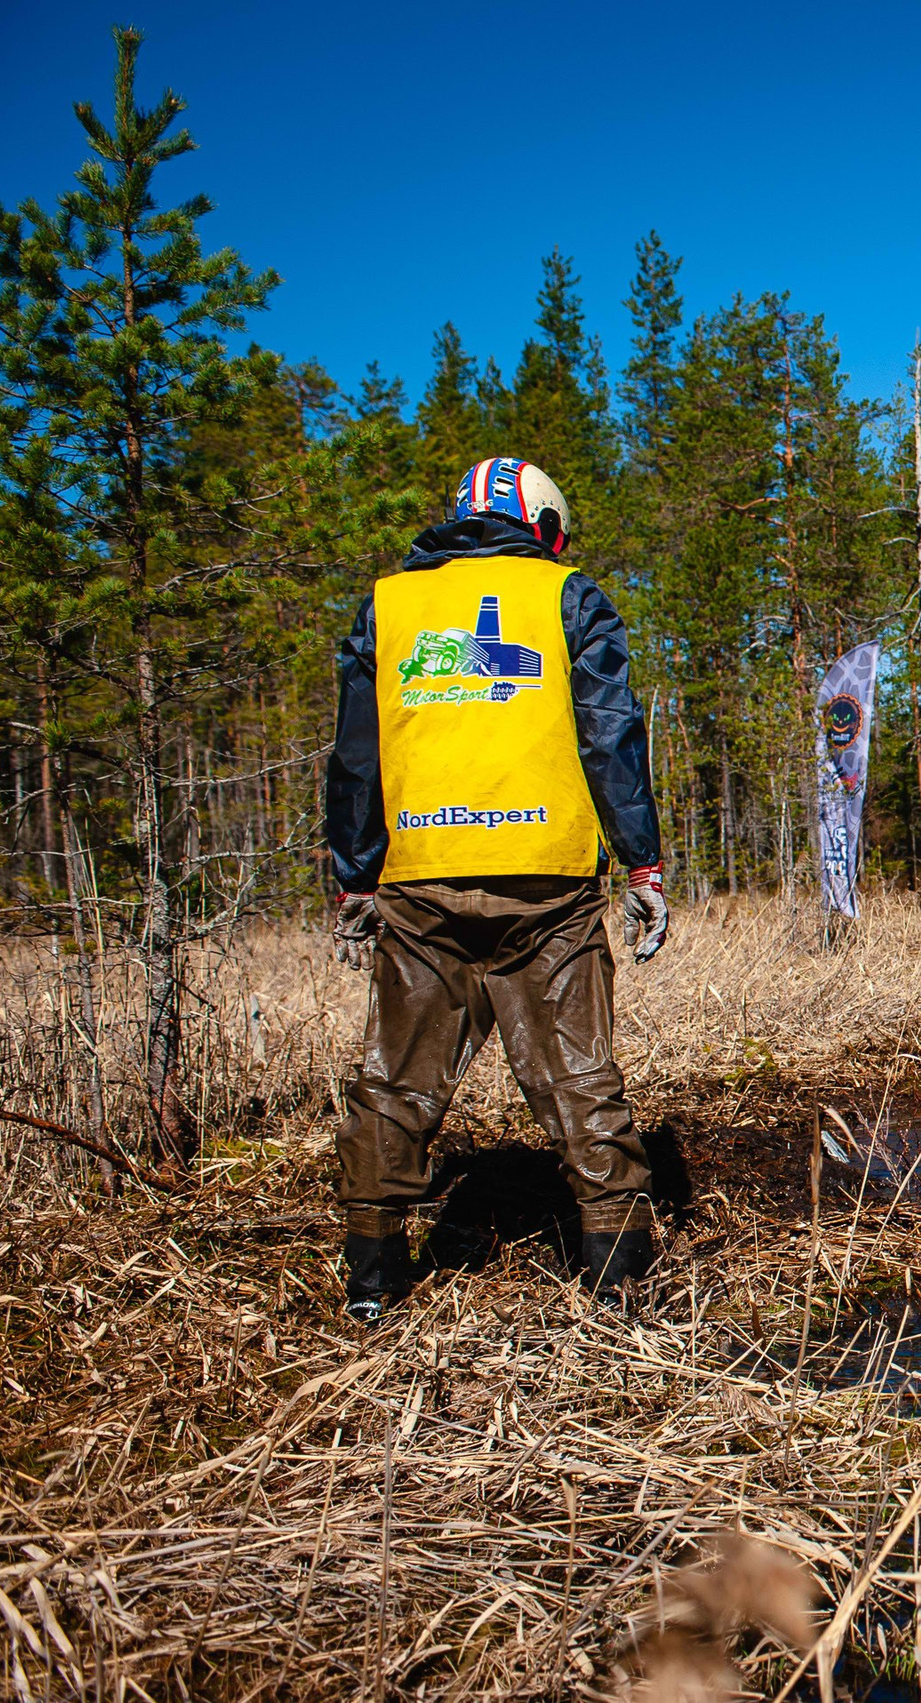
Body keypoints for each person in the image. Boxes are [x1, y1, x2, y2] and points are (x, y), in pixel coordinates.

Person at [322, 457, 669, 1322]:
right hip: (546, 880)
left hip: (419, 882)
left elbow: (354, 756)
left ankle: (372, 1280)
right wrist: (643, 863)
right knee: (581, 1077)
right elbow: (611, 735)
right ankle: (618, 1276)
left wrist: (353, 876)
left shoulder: (389, 605)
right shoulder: (568, 596)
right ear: (544, 526)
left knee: (395, 1078)